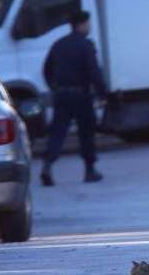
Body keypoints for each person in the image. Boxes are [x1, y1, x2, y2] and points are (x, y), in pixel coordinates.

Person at [40, 10, 107, 186]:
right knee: (86, 133)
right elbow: (94, 72)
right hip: (81, 96)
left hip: (62, 95)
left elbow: (47, 69)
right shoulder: (85, 45)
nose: (89, 27)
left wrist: (54, 88)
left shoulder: (59, 44)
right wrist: (102, 93)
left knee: (58, 132)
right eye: (88, 24)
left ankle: (47, 165)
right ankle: (89, 171)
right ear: (82, 25)